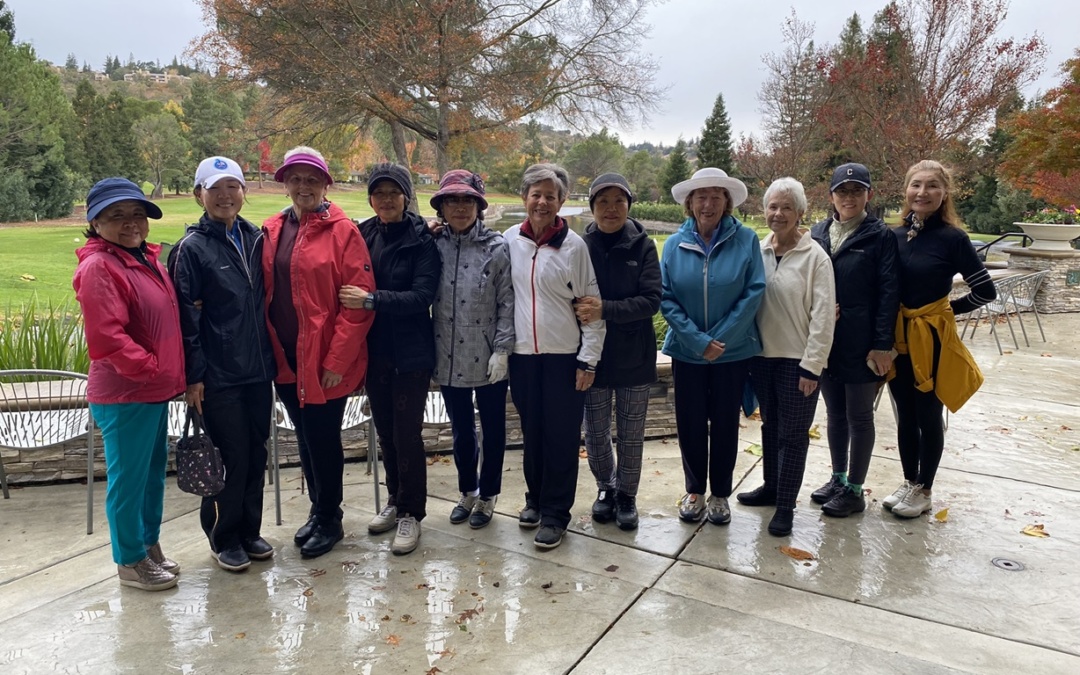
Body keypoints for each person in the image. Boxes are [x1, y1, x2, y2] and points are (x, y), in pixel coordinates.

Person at [263, 146, 375, 558]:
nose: (303, 186)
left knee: (323, 438)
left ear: (326, 184)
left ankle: (331, 518)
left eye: (312, 179)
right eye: (296, 178)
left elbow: (358, 304)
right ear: (286, 183)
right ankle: (318, 510)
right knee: (308, 439)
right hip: (287, 358)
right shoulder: (273, 229)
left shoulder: (344, 233)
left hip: (326, 361)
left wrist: (337, 361)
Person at [73, 178, 185, 591]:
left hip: (151, 390)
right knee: (129, 481)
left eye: (137, 214)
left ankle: (148, 545)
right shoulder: (100, 266)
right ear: (95, 222)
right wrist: (152, 368)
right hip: (126, 392)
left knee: (152, 476)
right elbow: (108, 337)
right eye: (116, 216)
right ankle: (129, 560)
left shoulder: (141, 258)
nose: (131, 223)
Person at [168, 156, 277, 572]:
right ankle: (222, 535)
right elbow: (186, 319)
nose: (225, 196)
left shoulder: (255, 238)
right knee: (228, 456)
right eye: (215, 189)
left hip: (257, 369)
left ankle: (249, 530)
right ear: (200, 194)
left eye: (233, 187)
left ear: (244, 193)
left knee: (255, 450)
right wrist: (194, 376)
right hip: (218, 376)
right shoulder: (192, 249)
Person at [504, 163, 606, 550]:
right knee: (533, 435)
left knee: (561, 437)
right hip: (523, 356)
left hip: (564, 357)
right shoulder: (510, 239)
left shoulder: (574, 247)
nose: (542, 201)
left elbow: (591, 309)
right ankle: (536, 498)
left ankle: (556, 514)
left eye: (551, 195)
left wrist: (588, 360)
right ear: (525, 198)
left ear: (562, 201)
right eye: (536, 194)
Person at [886, 160, 995, 518]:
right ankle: (908, 480)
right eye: (916, 185)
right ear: (906, 190)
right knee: (904, 413)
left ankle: (925, 488)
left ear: (944, 193)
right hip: (899, 336)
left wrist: (945, 313)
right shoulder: (895, 235)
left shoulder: (953, 238)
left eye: (932, 185)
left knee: (928, 414)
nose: (923, 192)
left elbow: (985, 290)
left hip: (929, 338)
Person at [344, 163, 441, 555]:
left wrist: (372, 300)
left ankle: (411, 514)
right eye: (378, 193)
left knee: (406, 434)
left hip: (412, 353)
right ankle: (394, 499)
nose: (386, 199)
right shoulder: (363, 234)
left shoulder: (422, 240)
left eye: (393, 192)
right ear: (371, 198)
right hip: (376, 350)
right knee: (385, 433)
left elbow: (422, 297)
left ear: (406, 197)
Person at [661, 167, 765, 526]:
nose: (708, 203)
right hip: (687, 352)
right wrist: (698, 341)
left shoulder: (746, 240)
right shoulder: (674, 244)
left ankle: (720, 493)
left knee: (724, 424)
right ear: (690, 203)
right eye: (700, 196)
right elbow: (666, 296)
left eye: (716, 196)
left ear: (727, 202)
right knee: (689, 423)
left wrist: (721, 339)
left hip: (732, 352)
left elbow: (754, 291)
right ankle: (694, 491)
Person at [735, 178, 835, 536]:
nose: (778, 214)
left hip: (798, 362)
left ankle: (786, 506)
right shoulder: (757, 251)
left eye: (786, 207)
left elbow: (824, 317)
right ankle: (771, 486)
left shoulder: (815, 258)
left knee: (793, 435)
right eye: (773, 207)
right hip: (760, 356)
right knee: (770, 427)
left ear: (800, 213)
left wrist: (813, 365)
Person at [808, 163, 900, 518]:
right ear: (831, 196)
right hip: (826, 341)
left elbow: (889, 293)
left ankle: (856, 490)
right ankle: (838, 477)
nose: (849, 197)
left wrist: (881, 344)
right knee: (835, 414)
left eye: (856, 191)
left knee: (859, 416)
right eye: (842, 191)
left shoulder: (880, 236)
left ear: (868, 195)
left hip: (863, 343)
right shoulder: (818, 232)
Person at [428, 170, 514, 529]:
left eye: (467, 201)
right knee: (462, 429)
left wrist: (503, 349)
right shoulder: (432, 243)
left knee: (493, 428)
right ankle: (468, 490)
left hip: (487, 353)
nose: (460, 208)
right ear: (442, 207)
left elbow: (507, 301)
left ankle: (489, 495)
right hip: (447, 354)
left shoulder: (496, 248)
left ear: (479, 206)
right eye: (452, 200)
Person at [575, 173, 661, 531]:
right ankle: (606, 487)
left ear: (629, 205)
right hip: (592, 357)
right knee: (594, 432)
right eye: (603, 201)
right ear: (593, 207)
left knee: (630, 432)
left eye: (619, 201)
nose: (611, 209)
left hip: (634, 357)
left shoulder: (643, 246)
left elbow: (651, 300)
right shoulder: (580, 245)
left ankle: (627, 495)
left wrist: (605, 309)